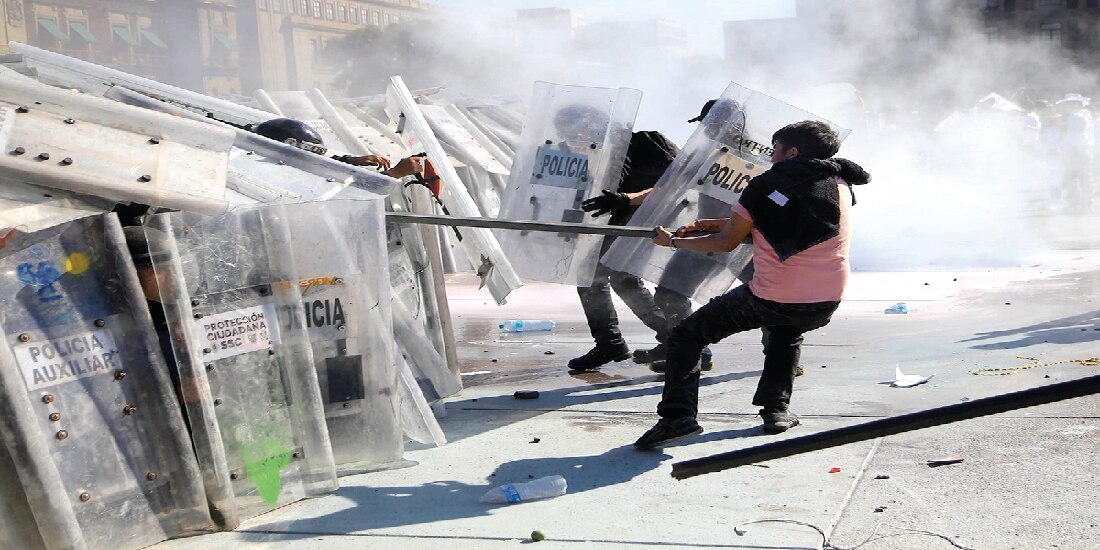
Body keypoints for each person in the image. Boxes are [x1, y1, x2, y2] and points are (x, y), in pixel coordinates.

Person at [633, 120, 871, 450]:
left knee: (687, 335)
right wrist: (716, 223)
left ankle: (677, 417)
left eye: (775, 150)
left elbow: (726, 243)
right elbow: (790, 222)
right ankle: (776, 410)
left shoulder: (766, 185)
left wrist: (672, 242)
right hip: (827, 297)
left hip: (773, 296)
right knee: (786, 332)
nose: (771, 157)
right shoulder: (840, 183)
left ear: (792, 152)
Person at [567, 130, 680, 371]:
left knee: (591, 275)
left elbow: (615, 185)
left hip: (640, 217)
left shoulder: (623, 148)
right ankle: (672, 338)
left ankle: (614, 342)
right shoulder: (641, 142)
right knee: (620, 279)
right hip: (643, 218)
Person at [253, 117, 424, 178]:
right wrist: (395, 173)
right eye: (310, 151)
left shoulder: (274, 162)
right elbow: (346, 192)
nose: (314, 157)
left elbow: (316, 163)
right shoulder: (280, 175)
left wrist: (351, 161)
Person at [1053, 94, 1094, 214]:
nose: (1065, 106)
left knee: (1071, 178)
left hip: (1075, 151)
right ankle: (1085, 205)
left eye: (1068, 104)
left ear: (1075, 104)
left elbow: (1072, 136)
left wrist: (1062, 149)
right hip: (1083, 150)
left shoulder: (1075, 116)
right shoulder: (1085, 115)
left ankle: (1074, 204)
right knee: (1084, 178)